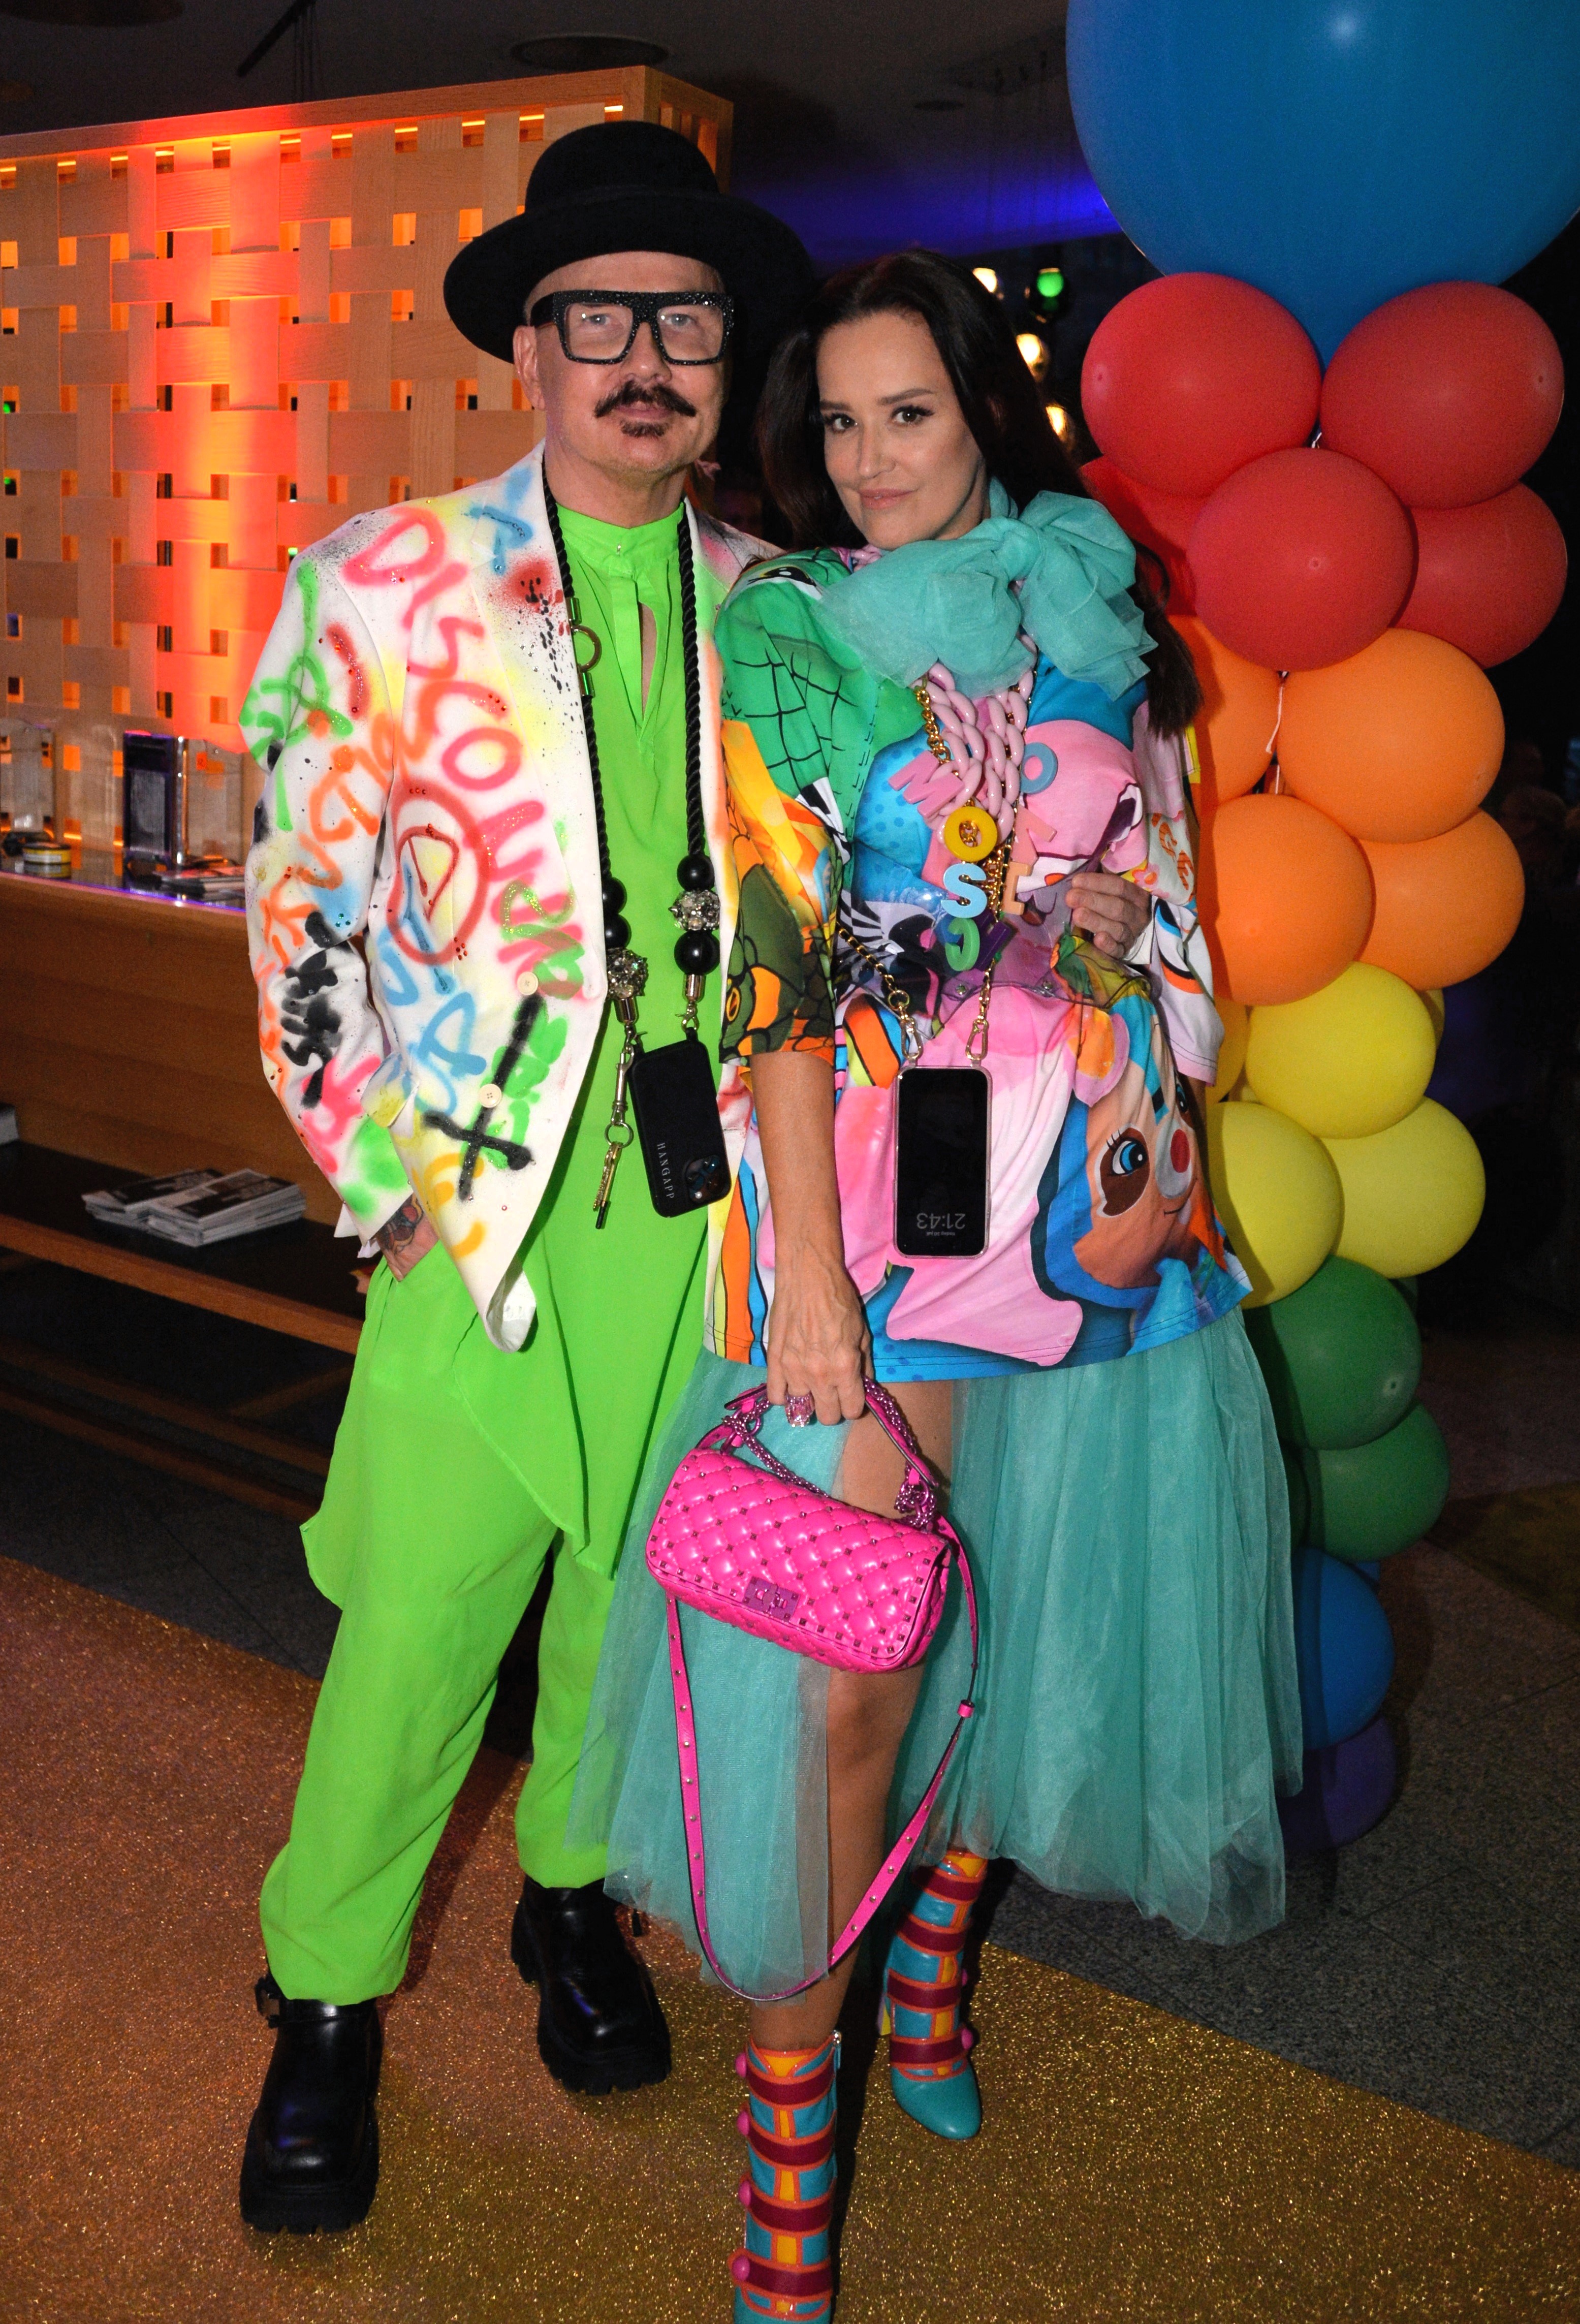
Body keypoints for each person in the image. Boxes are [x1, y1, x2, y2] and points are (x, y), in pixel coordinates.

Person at [573, 252, 1301, 2320]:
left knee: (1027, 1606)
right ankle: (789, 2180)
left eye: (909, 411)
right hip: (881, 1211)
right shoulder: (793, 638)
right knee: (847, 1683)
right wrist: (804, 1269)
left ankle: (930, 1984)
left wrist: (1123, 921)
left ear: (984, 405)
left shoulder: (1095, 615)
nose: (873, 459)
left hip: (1091, 1198)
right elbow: (775, 975)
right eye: (838, 423)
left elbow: (1176, 910)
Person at [234, 120, 812, 2233]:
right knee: (420, 1622)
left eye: (686, 319)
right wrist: (377, 1172)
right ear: (531, 349)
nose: (645, 358)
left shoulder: (788, 611)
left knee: (637, 1598)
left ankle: (568, 1887)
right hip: (477, 1198)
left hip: (712, 1206)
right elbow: (296, 904)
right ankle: (323, 1994)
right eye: (601, 319)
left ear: (727, 355)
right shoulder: (378, 583)